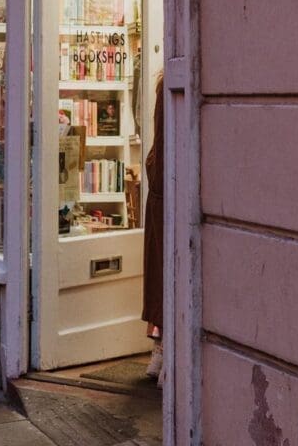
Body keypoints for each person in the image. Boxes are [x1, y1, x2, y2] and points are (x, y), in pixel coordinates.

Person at [141, 72, 164, 386]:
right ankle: (163, 354)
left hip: (162, 188)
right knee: (165, 272)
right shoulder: (167, 84)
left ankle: (159, 353)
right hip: (165, 190)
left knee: (161, 272)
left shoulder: (164, 83)